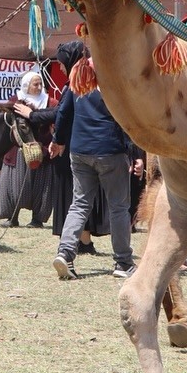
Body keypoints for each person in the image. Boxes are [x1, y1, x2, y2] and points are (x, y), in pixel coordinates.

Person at [50, 56, 137, 280]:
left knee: (79, 204)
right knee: (118, 207)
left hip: (79, 150)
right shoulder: (114, 79)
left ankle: (65, 253)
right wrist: (134, 152)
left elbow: (63, 112)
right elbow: (128, 119)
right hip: (110, 150)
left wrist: (58, 140)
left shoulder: (77, 78)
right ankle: (123, 262)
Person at [0, 69, 53, 229]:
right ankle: (12, 217)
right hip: (18, 150)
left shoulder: (49, 102)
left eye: (41, 83)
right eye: (36, 84)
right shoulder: (16, 101)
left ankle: (37, 219)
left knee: (41, 184)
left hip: (41, 148)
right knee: (14, 182)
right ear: (27, 85)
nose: (40, 86)